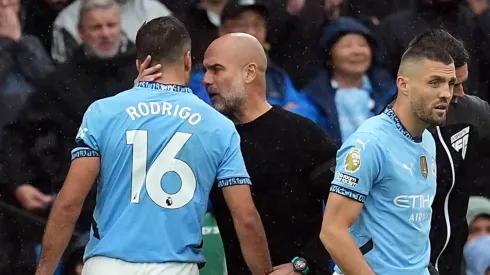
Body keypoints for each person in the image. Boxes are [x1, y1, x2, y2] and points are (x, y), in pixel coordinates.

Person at [34, 16, 272, 275]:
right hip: (176, 266)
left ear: (140, 63)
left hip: (108, 265)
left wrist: (44, 270)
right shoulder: (218, 126)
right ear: (187, 60)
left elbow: (70, 202)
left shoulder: (103, 113)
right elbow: (245, 217)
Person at [136, 32, 338, 275]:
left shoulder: (302, 134)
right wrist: (140, 101)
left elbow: (351, 208)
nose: (206, 80)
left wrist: (304, 263)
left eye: (217, 70)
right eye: (205, 70)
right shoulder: (208, 136)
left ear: (249, 72)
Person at [321, 43, 456, 274]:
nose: (446, 93)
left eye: (450, 83)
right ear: (403, 84)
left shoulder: (427, 140)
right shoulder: (369, 143)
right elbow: (332, 231)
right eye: (434, 82)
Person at [387, 29, 490, 275]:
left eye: (462, 82)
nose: (460, 93)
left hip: (453, 264)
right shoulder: (382, 135)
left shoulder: (473, 113)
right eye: (452, 84)